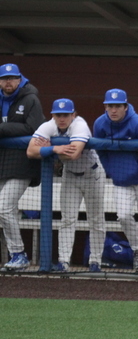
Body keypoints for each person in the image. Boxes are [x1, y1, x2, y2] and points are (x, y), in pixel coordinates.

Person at [27, 99, 106, 272]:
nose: (62, 118)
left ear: (73, 114)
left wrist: (49, 149)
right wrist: (54, 150)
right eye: (58, 115)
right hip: (70, 176)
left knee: (96, 219)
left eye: (66, 115)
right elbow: (30, 151)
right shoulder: (49, 126)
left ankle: (96, 261)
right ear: (53, 116)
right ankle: (64, 262)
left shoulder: (80, 125)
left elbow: (74, 154)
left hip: (92, 174)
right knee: (68, 219)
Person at [93, 88, 138, 274]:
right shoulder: (100, 124)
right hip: (120, 178)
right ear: (105, 106)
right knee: (123, 215)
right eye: (110, 106)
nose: (113, 110)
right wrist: (112, 171)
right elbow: (101, 151)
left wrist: (135, 172)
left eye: (117, 106)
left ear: (125, 106)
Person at [0, 63, 45, 271]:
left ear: (20, 79)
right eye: (4, 78)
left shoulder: (30, 98)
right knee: (6, 209)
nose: (8, 82)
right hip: (2, 161)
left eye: (12, 78)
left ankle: (18, 254)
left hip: (22, 161)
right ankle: (16, 254)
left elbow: (34, 128)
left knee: (4, 207)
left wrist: (2, 128)